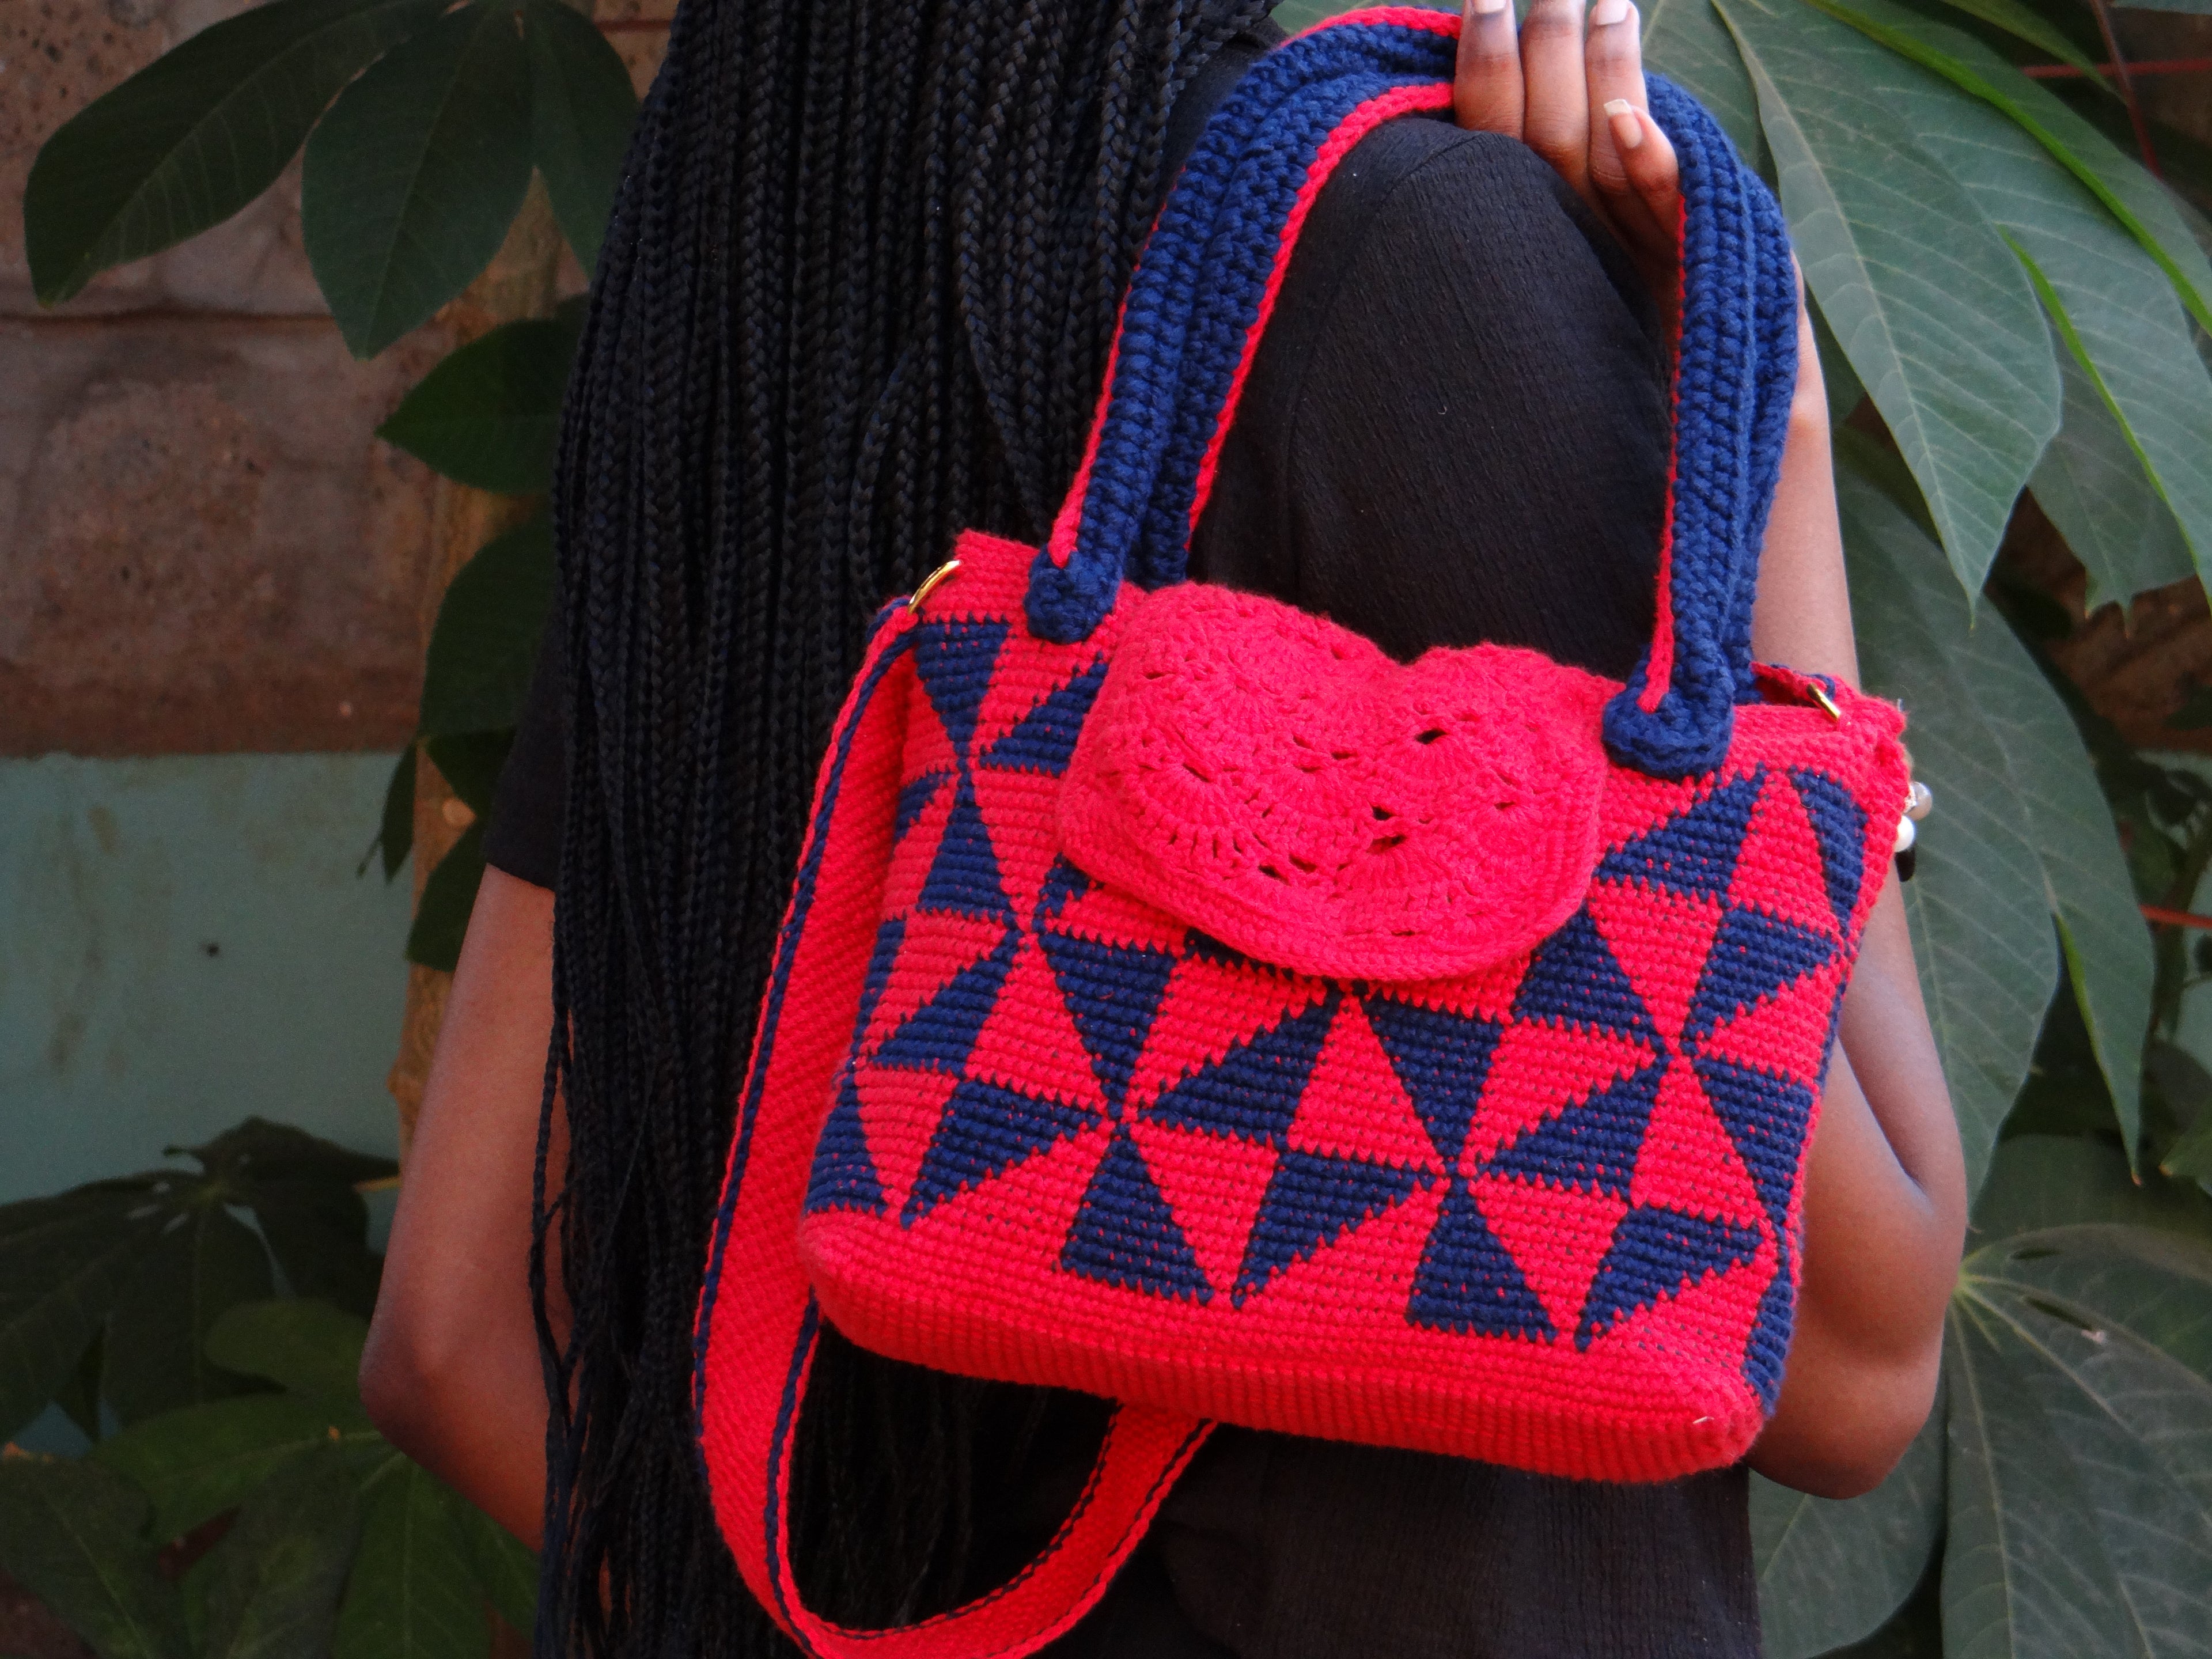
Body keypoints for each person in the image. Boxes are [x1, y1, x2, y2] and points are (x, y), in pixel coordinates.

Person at [361, 1, 1968, 1655]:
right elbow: (1855, 1368)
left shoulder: (756, 306)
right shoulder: (1418, 254)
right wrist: (1771, 446)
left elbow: (454, 1333)